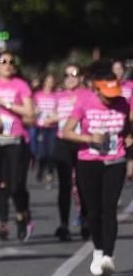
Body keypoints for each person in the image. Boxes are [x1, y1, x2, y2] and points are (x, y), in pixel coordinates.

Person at [61, 59, 132, 276]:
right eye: (106, 94)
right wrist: (89, 137)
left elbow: (128, 129)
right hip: (88, 161)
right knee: (93, 211)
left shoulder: (123, 102)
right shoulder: (84, 102)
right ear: (96, 88)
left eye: (114, 93)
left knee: (109, 209)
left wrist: (128, 144)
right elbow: (67, 131)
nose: (111, 99)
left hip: (115, 161)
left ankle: (108, 257)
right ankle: (98, 250)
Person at [0, 51, 36, 243]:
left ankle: (23, 214)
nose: (7, 64)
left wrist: (5, 103)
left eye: (11, 62)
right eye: (2, 61)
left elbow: (29, 112)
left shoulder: (20, 85)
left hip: (15, 140)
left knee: (16, 186)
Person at [52, 64, 93, 241]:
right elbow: (49, 117)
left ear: (81, 77)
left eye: (74, 74)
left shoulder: (88, 95)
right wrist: (50, 118)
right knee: (64, 185)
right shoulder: (58, 96)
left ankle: (85, 218)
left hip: (82, 141)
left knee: (83, 183)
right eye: (66, 74)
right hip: (63, 141)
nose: (70, 78)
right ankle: (63, 224)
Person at [32, 73, 59, 184]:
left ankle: (50, 171)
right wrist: (35, 111)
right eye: (48, 81)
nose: (49, 83)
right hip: (40, 127)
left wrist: (54, 115)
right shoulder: (37, 95)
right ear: (44, 82)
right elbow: (32, 108)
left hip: (52, 127)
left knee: (51, 152)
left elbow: (60, 110)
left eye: (51, 81)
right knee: (41, 152)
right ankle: (40, 169)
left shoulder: (56, 95)